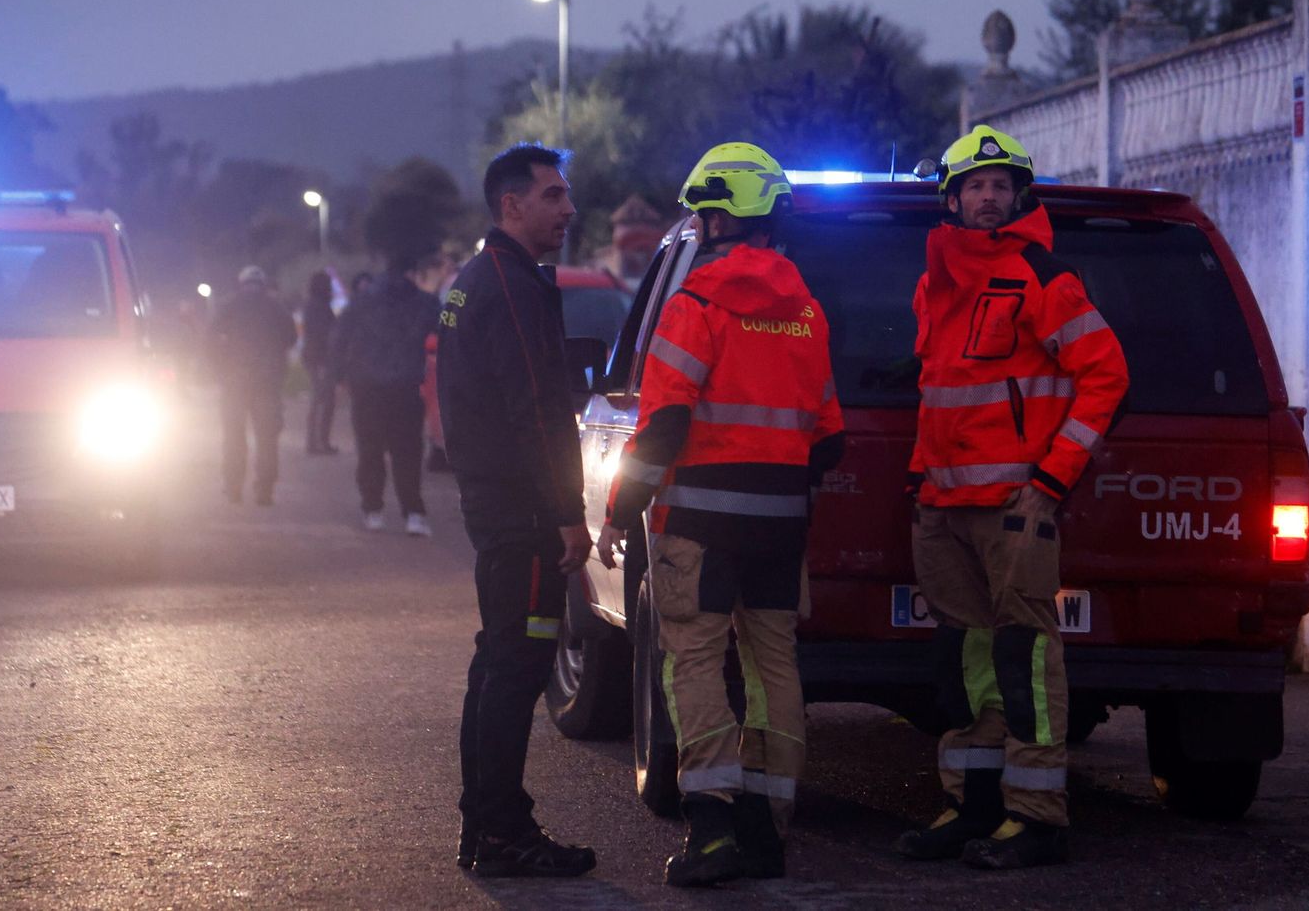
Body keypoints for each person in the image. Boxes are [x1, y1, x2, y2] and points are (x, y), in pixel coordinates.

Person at [597, 142, 845, 887]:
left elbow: (662, 426)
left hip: (699, 526)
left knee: (696, 664)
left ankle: (710, 832)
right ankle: (768, 832)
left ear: (716, 218)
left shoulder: (695, 303)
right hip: (779, 528)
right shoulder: (805, 311)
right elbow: (829, 441)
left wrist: (620, 509)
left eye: (702, 215)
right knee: (774, 666)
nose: (699, 228)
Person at [895, 126, 1128, 870]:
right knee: (965, 665)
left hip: (1016, 510)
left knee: (1025, 660)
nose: (989, 196)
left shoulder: (1042, 275)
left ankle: (1038, 820)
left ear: (1018, 195)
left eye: (1001, 184)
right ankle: (974, 808)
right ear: (952, 199)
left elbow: (1106, 378)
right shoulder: (934, 283)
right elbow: (944, 393)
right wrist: (922, 483)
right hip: (944, 506)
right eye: (976, 185)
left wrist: (1052, 481)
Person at [435, 144, 596, 878]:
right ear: (513, 205)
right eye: (554, 196)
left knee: (497, 665)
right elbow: (536, 410)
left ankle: (489, 826)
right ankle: (501, 833)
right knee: (514, 671)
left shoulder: (476, 279)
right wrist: (567, 512)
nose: (568, 210)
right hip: (524, 517)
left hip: (496, 509)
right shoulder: (509, 286)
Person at [331, 256, 441, 535]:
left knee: (370, 450)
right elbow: (449, 334)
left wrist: (338, 377)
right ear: (412, 272)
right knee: (408, 452)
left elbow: (339, 340)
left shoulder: (361, 301)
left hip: (366, 387)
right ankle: (413, 513)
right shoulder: (424, 302)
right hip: (406, 387)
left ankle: (373, 509)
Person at [207, 265, 296, 506]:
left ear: (241, 283)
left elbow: (210, 338)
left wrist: (219, 368)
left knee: (234, 436)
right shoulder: (275, 307)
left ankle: (234, 488)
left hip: (234, 381)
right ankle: (264, 491)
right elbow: (291, 337)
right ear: (263, 284)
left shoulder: (228, 305)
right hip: (268, 382)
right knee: (267, 438)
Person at [300, 271, 339, 455]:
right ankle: (318, 441)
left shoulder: (314, 305)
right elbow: (324, 334)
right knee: (323, 400)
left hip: (315, 357)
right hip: (320, 358)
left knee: (321, 400)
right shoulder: (320, 306)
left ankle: (316, 441)